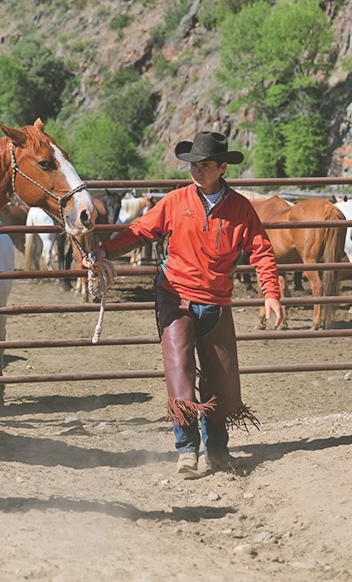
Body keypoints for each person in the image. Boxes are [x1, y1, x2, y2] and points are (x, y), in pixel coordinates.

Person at [85, 131, 283, 478]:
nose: (197, 171)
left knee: (220, 380)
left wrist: (271, 293)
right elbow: (140, 231)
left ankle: (218, 451)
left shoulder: (240, 208)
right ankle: (187, 450)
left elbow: (261, 250)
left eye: (206, 165)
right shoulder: (176, 201)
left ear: (223, 167)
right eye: (194, 165)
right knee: (180, 374)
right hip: (175, 296)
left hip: (216, 300)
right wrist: (105, 250)